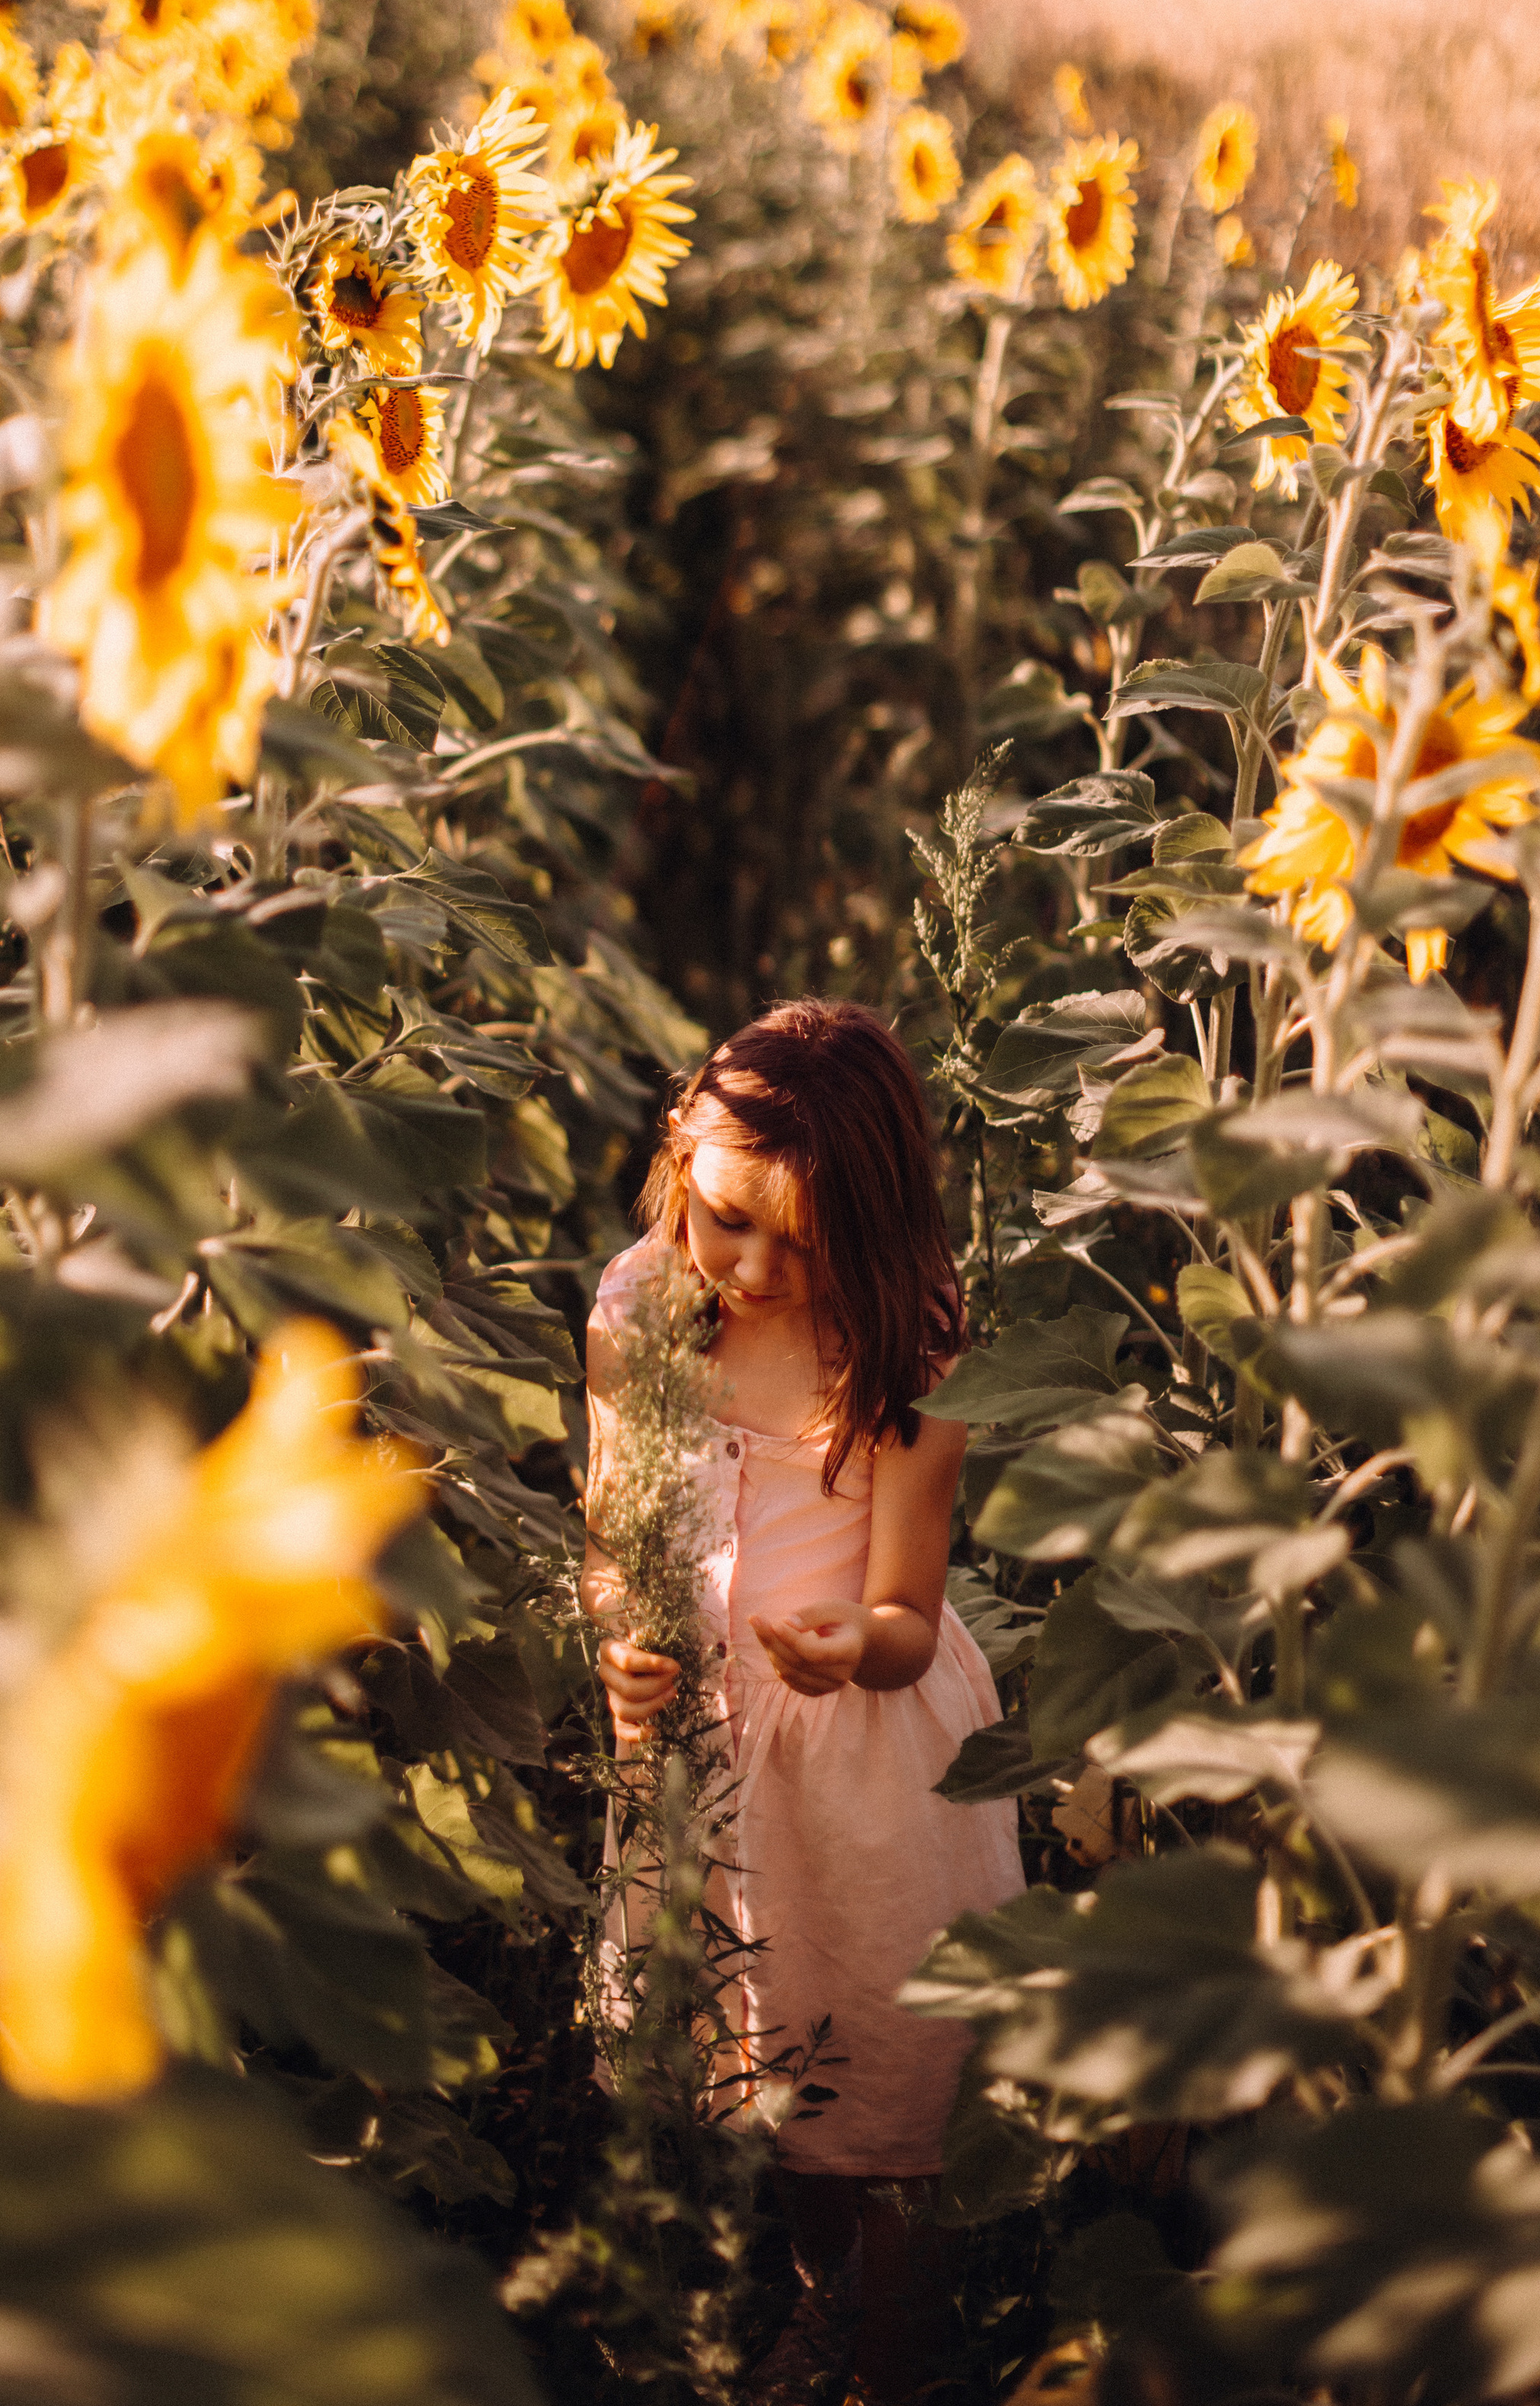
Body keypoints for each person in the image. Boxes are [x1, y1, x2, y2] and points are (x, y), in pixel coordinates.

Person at [582, 999, 1024, 2404]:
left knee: (883, 2078)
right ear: (680, 1157)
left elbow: (908, 1619)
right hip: (703, 1754)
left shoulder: (908, 1351)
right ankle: (830, 2299)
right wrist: (621, 1646)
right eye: (729, 1221)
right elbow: (612, 1543)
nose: (758, 1268)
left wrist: (856, 1647)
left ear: (873, 1228)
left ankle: (898, 2354)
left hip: (864, 1763)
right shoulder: (642, 1310)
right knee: (765, 2052)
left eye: (806, 1241)